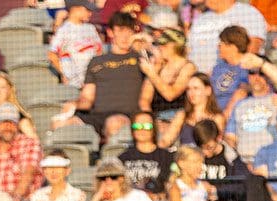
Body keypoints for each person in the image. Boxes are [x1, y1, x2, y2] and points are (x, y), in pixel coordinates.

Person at [52, 11, 145, 145]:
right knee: (59, 124)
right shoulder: (96, 61)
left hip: (125, 116)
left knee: (113, 123)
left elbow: (158, 66)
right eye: (121, 30)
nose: (125, 35)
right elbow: (87, 98)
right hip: (96, 116)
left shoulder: (139, 58)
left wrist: (144, 46)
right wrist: (74, 104)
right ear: (111, 32)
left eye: (129, 31)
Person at [225, 57, 277, 164]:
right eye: (252, 72)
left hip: (273, 160)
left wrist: (263, 64)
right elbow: (230, 136)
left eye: (261, 73)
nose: (257, 77)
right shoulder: (240, 105)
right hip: (245, 162)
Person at [0, 103, 42, 201]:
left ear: (17, 124)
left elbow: (28, 174)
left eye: (11, 123)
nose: (7, 127)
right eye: (3, 123)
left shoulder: (29, 144)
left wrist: (15, 198)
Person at [187, 0, 267, 76]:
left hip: (232, 79)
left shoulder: (248, 13)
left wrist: (228, 74)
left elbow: (253, 48)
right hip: (197, 80)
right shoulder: (201, 18)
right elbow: (188, 49)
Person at [139, 27, 195, 127]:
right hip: (156, 118)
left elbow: (170, 95)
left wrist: (151, 73)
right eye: (160, 45)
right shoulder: (158, 66)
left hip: (177, 118)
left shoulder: (188, 67)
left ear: (175, 46)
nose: (160, 48)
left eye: (165, 45)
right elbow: (144, 100)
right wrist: (149, 120)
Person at [47, 0, 103, 90]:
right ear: (75, 9)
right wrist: (65, 74)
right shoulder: (64, 30)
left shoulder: (90, 28)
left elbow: (99, 52)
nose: (90, 13)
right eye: (87, 10)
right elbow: (52, 55)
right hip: (74, 86)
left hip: (92, 82)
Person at [160, 72, 224, 150]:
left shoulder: (217, 117)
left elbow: (215, 145)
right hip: (185, 158)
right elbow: (166, 140)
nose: (191, 93)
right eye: (188, 89)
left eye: (196, 88)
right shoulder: (182, 115)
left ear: (208, 90)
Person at [119, 111, 173, 198]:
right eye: (137, 126)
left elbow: (171, 186)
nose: (142, 129)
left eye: (147, 126)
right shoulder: (122, 158)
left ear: (154, 129)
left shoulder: (167, 157)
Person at [210, 25, 252, 120]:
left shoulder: (248, 66)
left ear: (232, 47)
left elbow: (242, 92)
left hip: (237, 116)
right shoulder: (218, 68)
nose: (218, 47)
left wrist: (224, 117)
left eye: (222, 43)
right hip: (214, 114)